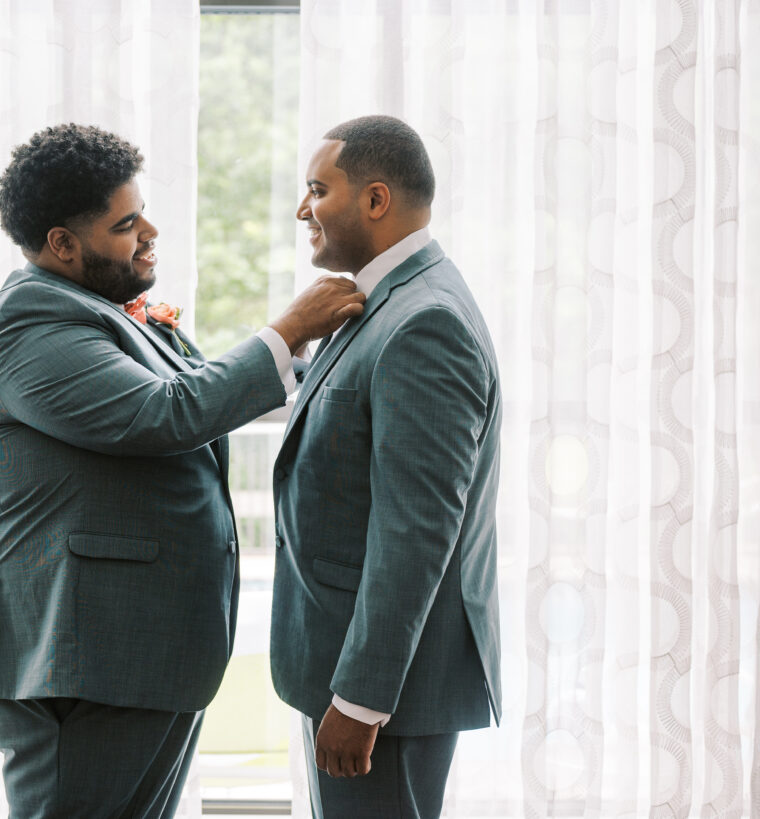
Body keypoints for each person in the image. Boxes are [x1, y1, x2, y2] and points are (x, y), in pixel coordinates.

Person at [0, 123, 365, 818]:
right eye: (125, 223)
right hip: (83, 664)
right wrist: (289, 326)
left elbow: (198, 386)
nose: (150, 230)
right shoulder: (30, 321)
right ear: (62, 244)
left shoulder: (99, 312)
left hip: (135, 660)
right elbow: (165, 412)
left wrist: (319, 361)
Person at [269, 115, 502, 818]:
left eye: (317, 189)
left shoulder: (425, 320)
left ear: (375, 200)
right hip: (349, 670)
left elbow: (417, 527)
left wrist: (362, 697)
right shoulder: (386, 301)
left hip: (382, 694)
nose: (303, 209)